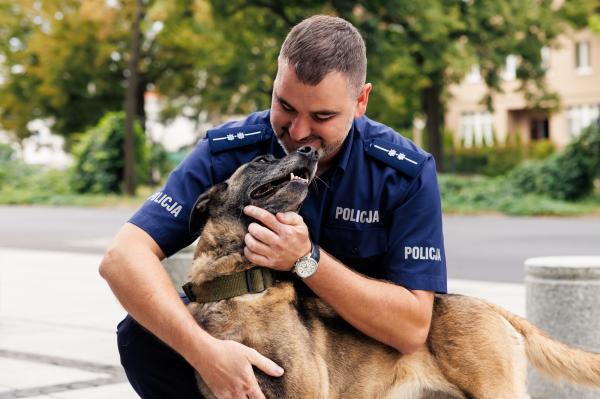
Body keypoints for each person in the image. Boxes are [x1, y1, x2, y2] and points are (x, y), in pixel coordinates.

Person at [100, 15, 447, 399]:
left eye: (321, 117)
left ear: (361, 100)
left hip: (353, 355)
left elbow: (412, 328)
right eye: (285, 106)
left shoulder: (403, 172)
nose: (298, 132)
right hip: (253, 330)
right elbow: (122, 259)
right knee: (142, 337)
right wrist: (206, 354)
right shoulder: (228, 152)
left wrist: (306, 259)